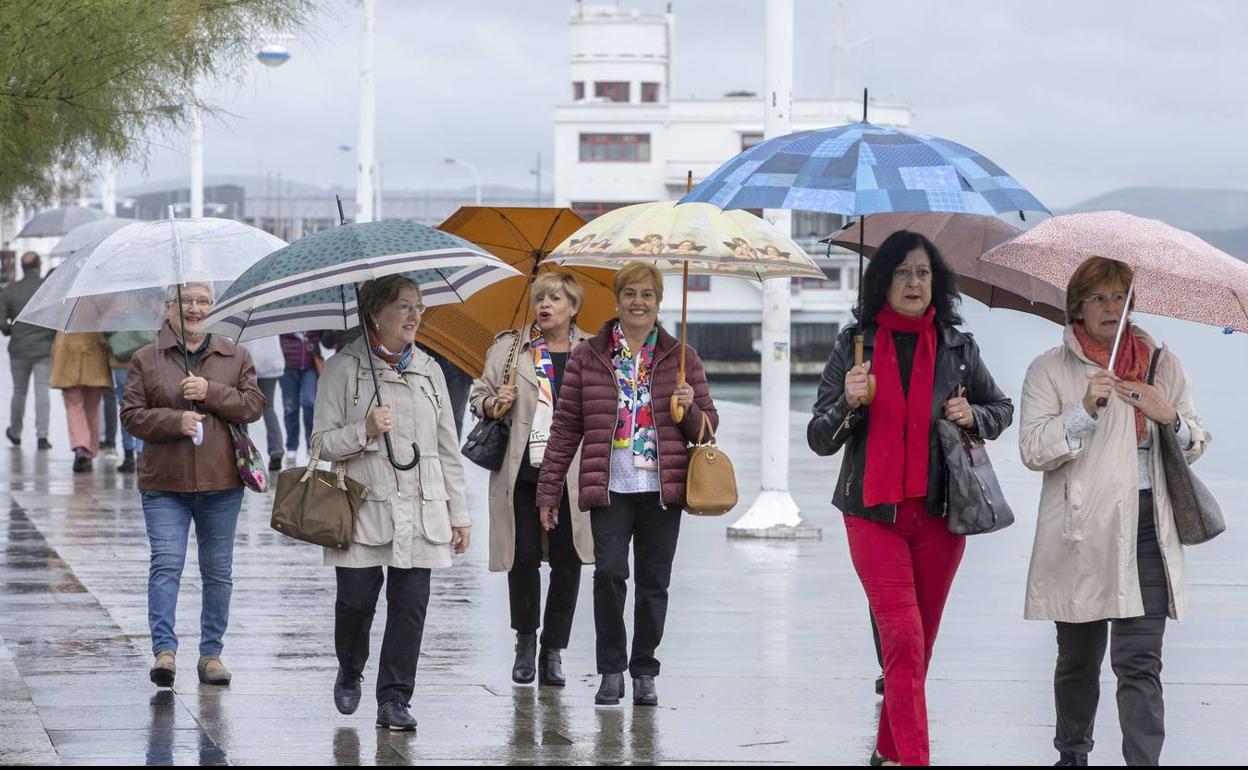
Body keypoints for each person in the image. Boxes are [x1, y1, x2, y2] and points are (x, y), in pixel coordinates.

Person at [807, 230, 1013, 766]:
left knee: (916, 651)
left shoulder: (958, 347)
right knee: (901, 637)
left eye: (923, 273)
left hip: (941, 517)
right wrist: (850, 404)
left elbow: (1001, 408)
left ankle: (887, 748)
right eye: (902, 273)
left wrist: (975, 416)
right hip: (872, 515)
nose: (914, 282)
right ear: (883, 281)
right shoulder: (856, 344)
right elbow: (819, 438)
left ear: (937, 282)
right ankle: (915, 759)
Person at [1019, 256, 1209, 766]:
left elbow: (1195, 440)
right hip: (1081, 532)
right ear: (1077, 307)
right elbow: (1033, 450)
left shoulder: (1162, 363)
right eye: (1098, 297)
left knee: (1140, 662)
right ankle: (1072, 754)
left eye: (1119, 297)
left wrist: (1169, 417)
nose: (1110, 307)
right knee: (1078, 660)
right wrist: (1083, 410)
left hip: (1149, 527)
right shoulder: (1049, 369)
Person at [536, 261, 718, 708]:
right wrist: (548, 489)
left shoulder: (682, 358)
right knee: (610, 575)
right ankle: (611, 670)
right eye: (631, 293)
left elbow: (708, 430)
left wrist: (690, 407)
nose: (639, 302)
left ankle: (644, 670)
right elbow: (564, 427)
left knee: (654, 583)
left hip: (662, 489)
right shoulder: (589, 355)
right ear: (616, 301)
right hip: (610, 484)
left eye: (648, 294)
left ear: (659, 303)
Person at [311, 275, 470, 732]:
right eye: (403, 307)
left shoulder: (430, 369)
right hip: (363, 508)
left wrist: (459, 516)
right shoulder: (343, 367)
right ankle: (350, 665)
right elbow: (320, 445)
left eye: (418, 306)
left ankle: (395, 698)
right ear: (374, 315)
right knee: (356, 602)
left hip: (422, 507)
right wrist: (364, 429)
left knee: (410, 606)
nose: (415, 316)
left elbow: (446, 449)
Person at [121, 283, 264, 688]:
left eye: (204, 301)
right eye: (186, 301)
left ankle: (212, 654)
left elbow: (253, 405)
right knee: (166, 564)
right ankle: (164, 652)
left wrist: (210, 392)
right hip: (164, 483)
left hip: (222, 482)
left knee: (218, 571)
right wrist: (174, 421)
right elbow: (131, 415)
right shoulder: (146, 359)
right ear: (169, 307)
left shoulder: (235, 354)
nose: (196, 309)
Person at [469, 272, 594, 687]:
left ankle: (553, 650)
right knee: (521, 558)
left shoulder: (593, 351)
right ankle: (525, 640)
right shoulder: (509, 349)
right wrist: (493, 402)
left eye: (555, 298)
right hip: (521, 471)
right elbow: (477, 395)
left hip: (572, 475)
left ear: (573, 307)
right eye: (540, 298)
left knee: (568, 561)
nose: (545, 305)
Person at [1, 252, 55, 450]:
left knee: (19, 391)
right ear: (39, 265)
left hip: (19, 349)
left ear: (22, 268)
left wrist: (10, 330)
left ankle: (15, 431)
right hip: (44, 347)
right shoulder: (48, 288)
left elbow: (2, 322)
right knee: (42, 391)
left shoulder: (10, 290)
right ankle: (42, 436)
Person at [51, 331, 112, 472]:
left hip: (67, 354)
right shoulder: (97, 309)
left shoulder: (64, 309)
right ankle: (88, 452)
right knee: (91, 409)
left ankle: (80, 446)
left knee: (74, 406)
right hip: (95, 354)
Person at [105, 331, 156, 472]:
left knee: (126, 406)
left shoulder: (111, 309)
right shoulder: (151, 308)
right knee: (143, 405)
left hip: (121, 359)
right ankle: (140, 452)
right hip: (146, 356)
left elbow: (105, 330)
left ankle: (129, 453)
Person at [242, 335, 286, 471]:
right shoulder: (271, 313)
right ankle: (276, 450)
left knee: (242, 407)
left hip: (248, 363)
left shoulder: (244, 314)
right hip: (271, 362)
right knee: (268, 407)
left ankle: (243, 451)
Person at [279, 331, 321, 464]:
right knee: (290, 407)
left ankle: (311, 445)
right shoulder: (284, 316)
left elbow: (323, 333)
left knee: (309, 403)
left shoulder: (312, 313)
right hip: (287, 366)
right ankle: (291, 448)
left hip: (310, 365)